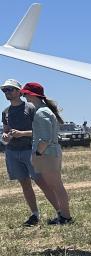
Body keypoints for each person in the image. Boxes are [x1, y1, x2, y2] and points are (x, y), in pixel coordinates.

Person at [1, 78, 52, 226]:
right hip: (12, 151)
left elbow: (39, 131)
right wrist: (6, 136)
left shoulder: (30, 108)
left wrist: (22, 133)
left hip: (30, 150)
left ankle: (60, 212)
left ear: (18, 91)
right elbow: (6, 131)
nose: (6, 92)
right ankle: (35, 215)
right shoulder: (5, 112)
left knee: (41, 182)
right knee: (24, 183)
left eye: (9, 89)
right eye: (4, 90)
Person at [21, 82, 73, 224]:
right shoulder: (44, 110)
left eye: (25, 94)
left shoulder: (41, 112)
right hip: (51, 152)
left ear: (32, 95)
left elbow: (44, 138)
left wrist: (37, 154)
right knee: (56, 186)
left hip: (46, 154)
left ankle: (66, 217)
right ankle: (64, 216)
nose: (24, 96)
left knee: (56, 186)